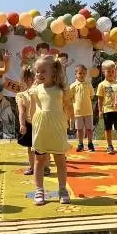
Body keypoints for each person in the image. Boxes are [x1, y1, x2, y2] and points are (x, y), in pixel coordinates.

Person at [22, 56, 73, 206]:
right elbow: (32, 110)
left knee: (60, 160)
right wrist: (31, 124)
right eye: (37, 71)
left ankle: (62, 189)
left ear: (54, 71)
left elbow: (67, 107)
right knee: (39, 160)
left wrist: (70, 120)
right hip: (41, 128)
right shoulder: (35, 90)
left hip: (57, 127)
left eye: (43, 71)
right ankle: (39, 190)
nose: (39, 74)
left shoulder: (61, 90)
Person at [16, 65, 37, 175]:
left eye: (33, 78)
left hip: (41, 122)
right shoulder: (21, 95)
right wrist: (22, 124)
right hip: (29, 123)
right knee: (31, 147)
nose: (31, 81)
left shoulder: (41, 92)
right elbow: (22, 112)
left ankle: (46, 167)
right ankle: (32, 167)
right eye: (28, 79)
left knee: (44, 147)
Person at [96, 60, 117, 154]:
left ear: (115, 71)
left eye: (112, 71)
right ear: (103, 72)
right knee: (108, 128)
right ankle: (109, 146)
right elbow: (100, 99)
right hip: (107, 110)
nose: (110, 73)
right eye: (108, 71)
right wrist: (100, 111)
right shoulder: (101, 85)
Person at [70, 64, 95, 152]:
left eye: (84, 73)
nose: (82, 75)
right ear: (75, 74)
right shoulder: (73, 86)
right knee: (79, 129)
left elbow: (92, 96)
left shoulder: (88, 84)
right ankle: (80, 144)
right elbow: (70, 97)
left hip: (88, 111)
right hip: (78, 112)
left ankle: (90, 143)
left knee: (89, 129)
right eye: (80, 73)